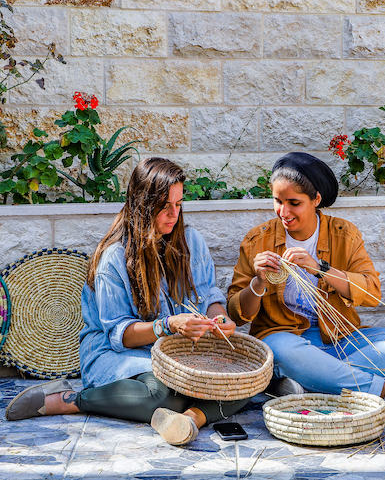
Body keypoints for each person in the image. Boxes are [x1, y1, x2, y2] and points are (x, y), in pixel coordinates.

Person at [5, 158, 248, 446]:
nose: (174, 214)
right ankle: (71, 400)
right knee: (162, 394)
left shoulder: (190, 241)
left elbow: (208, 296)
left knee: (241, 381)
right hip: (115, 353)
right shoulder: (115, 259)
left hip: (174, 354)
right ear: (144, 205)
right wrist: (168, 325)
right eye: (165, 206)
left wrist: (220, 318)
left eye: (179, 204)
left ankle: (190, 419)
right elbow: (120, 336)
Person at [227, 152, 385, 403]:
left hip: (340, 338)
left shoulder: (344, 234)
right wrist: (259, 281)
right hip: (286, 340)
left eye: (294, 203)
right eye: (277, 201)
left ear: (316, 199)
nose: (283, 212)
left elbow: (372, 293)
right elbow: (235, 313)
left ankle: (312, 382)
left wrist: (321, 269)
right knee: (280, 351)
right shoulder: (258, 240)